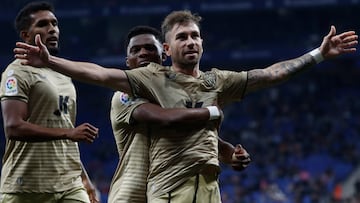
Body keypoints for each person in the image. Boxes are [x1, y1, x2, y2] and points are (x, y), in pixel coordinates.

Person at [14, 10, 358, 203]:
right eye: (182, 37)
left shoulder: (217, 81)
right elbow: (101, 75)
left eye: (195, 36)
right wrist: (52, 62)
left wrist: (317, 54)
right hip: (150, 190)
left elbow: (269, 74)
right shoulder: (144, 83)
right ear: (168, 48)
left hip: (206, 186)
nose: (191, 41)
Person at [108, 25, 251, 203]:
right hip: (131, 194)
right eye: (135, 50)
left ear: (164, 55)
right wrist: (212, 111)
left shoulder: (174, 97)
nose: (143, 53)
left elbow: (204, 137)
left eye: (150, 48)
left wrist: (231, 155)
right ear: (128, 61)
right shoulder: (124, 96)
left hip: (170, 191)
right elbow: (165, 117)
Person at [0, 2, 100, 203]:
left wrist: (85, 180)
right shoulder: (16, 72)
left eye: (55, 23)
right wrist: (69, 133)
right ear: (26, 35)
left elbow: (66, 129)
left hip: (69, 184)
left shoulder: (64, 76)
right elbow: (13, 127)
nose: (52, 29)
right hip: (26, 186)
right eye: (43, 24)